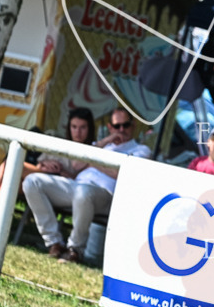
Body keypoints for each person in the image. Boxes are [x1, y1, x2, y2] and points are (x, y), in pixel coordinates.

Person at [22, 107, 151, 262]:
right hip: (77, 188)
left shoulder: (141, 150)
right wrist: (105, 142)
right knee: (33, 182)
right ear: (110, 127)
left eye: (126, 125)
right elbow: (76, 164)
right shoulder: (101, 144)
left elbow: (122, 174)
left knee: (83, 192)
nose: (121, 130)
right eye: (117, 126)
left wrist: (92, 162)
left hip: (106, 196)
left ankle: (75, 249)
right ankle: (54, 243)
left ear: (134, 125)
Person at [0, 108, 96, 241]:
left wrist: (63, 172)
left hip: (61, 187)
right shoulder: (62, 144)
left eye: (82, 127)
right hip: (42, 177)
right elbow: (39, 164)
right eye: (74, 127)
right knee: (12, 181)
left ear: (90, 128)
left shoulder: (95, 151)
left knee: (10, 165)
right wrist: (45, 165)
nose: (78, 132)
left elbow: (83, 178)